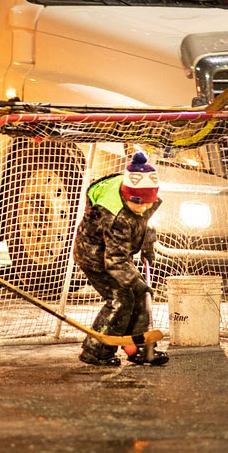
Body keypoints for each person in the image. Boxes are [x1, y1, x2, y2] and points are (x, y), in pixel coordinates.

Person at [73, 151, 169, 367]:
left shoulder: (140, 199)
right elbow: (114, 260)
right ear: (127, 196)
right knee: (122, 299)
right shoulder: (117, 216)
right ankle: (96, 351)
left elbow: (144, 222)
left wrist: (147, 244)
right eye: (138, 204)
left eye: (147, 203)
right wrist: (136, 282)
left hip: (117, 253)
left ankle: (140, 347)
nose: (143, 208)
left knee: (138, 296)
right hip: (95, 257)